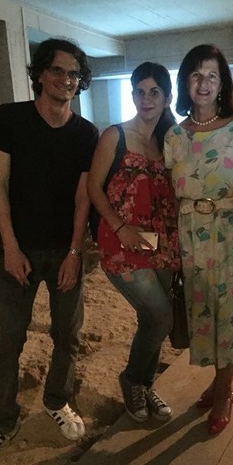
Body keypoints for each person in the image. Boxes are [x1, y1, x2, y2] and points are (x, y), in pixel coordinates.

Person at [0, 39, 99, 465]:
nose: (66, 80)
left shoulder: (85, 134)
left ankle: (56, 400)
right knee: (9, 339)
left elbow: (83, 197)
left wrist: (75, 252)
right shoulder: (8, 119)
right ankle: (3, 420)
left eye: (73, 73)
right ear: (41, 74)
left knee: (68, 334)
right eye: (58, 70)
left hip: (65, 250)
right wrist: (10, 247)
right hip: (19, 250)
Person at [164, 44, 233, 435]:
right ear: (185, 83)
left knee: (230, 316)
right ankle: (217, 381)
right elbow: (172, 196)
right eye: (195, 74)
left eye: (212, 75)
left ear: (223, 83)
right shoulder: (174, 136)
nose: (203, 83)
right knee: (205, 314)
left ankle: (224, 392)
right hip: (191, 237)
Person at [87, 62, 180, 423]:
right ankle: (131, 379)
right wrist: (120, 226)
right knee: (160, 316)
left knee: (152, 319)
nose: (146, 98)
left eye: (154, 92)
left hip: (161, 242)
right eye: (139, 91)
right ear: (132, 95)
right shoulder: (115, 136)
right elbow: (93, 187)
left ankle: (144, 383)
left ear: (167, 97)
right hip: (122, 241)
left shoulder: (169, 140)